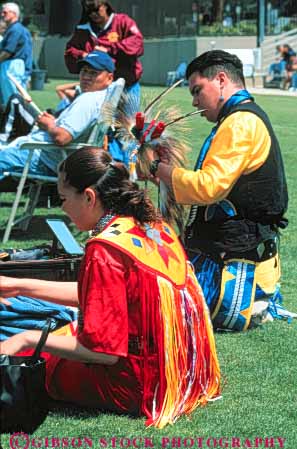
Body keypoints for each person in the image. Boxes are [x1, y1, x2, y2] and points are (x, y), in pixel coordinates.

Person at [0, 147, 221, 428]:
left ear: (89, 197)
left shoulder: (105, 248)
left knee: (29, 354)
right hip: (181, 372)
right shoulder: (150, 226)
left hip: (136, 386)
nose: (62, 207)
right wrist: (17, 286)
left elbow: (103, 353)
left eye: (63, 198)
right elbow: (102, 298)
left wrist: (27, 340)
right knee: (55, 330)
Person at [147, 50, 289, 331]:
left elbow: (209, 187)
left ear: (221, 79)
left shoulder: (240, 123)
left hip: (234, 270)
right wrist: (161, 175)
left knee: (153, 300)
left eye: (198, 90)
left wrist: (159, 172)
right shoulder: (240, 119)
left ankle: (255, 304)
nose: (194, 102)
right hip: (233, 253)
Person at [0, 50, 116, 185]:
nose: (86, 77)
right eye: (84, 71)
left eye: (93, 73)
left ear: (109, 78)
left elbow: (62, 137)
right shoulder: (102, 99)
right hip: (47, 156)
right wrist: (54, 122)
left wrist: (48, 125)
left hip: (41, 158)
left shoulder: (88, 100)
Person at [64, 0, 143, 106]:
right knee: (99, 121)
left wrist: (110, 49)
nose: (93, 14)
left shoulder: (123, 21)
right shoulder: (83, 29)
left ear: (106, 6)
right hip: (97, 90)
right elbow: (70, 51)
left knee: (127, 122)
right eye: (89, 11)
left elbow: (136, 44)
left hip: (127, 85)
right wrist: (84, 55)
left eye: (96, 10)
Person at [0, 3, 33, 106]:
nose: (2, 14)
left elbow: (7, 51)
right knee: (14, 99)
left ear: (14, 14)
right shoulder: (18, 29)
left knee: (12, 100)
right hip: (15, 66)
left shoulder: (15, 29)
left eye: (5, 12)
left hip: (11, 66)